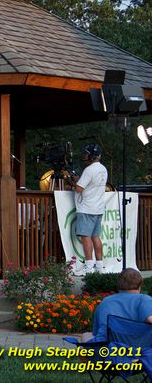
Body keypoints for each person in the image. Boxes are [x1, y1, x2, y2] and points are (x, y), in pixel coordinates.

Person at [82, 268, 152, 342]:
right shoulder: (144, 299)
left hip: (107, 348)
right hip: (138, 348)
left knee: (85, 335)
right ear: (139, 286)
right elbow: (150, 319)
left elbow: (96, 333)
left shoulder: (106, 301)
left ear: (118, 286)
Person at [72, 144, 108, 276]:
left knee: (86, 237)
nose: (84, 155)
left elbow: (79, 189)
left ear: (92, 156)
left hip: (87, 207)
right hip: (98, 207)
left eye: (86, 153)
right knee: (95, 237)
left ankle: (89, 266)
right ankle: (99, 265)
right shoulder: (103, 169)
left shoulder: (89, 170)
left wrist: (76, 181)